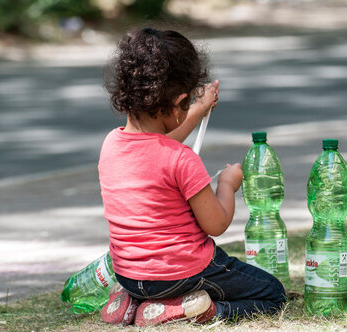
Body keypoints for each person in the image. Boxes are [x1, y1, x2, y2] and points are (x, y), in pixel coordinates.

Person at [97, 27, 286, 327]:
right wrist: (227, 184)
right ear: (178, 102)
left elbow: (159, 144)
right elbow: (216, 223)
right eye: (187, 105)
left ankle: (133, 302)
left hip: (129, 274)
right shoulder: (182, 159)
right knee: (273, 293)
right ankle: (199, 310)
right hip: (180, 273)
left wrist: (196, 110)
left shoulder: (111, 145)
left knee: (150, 280)